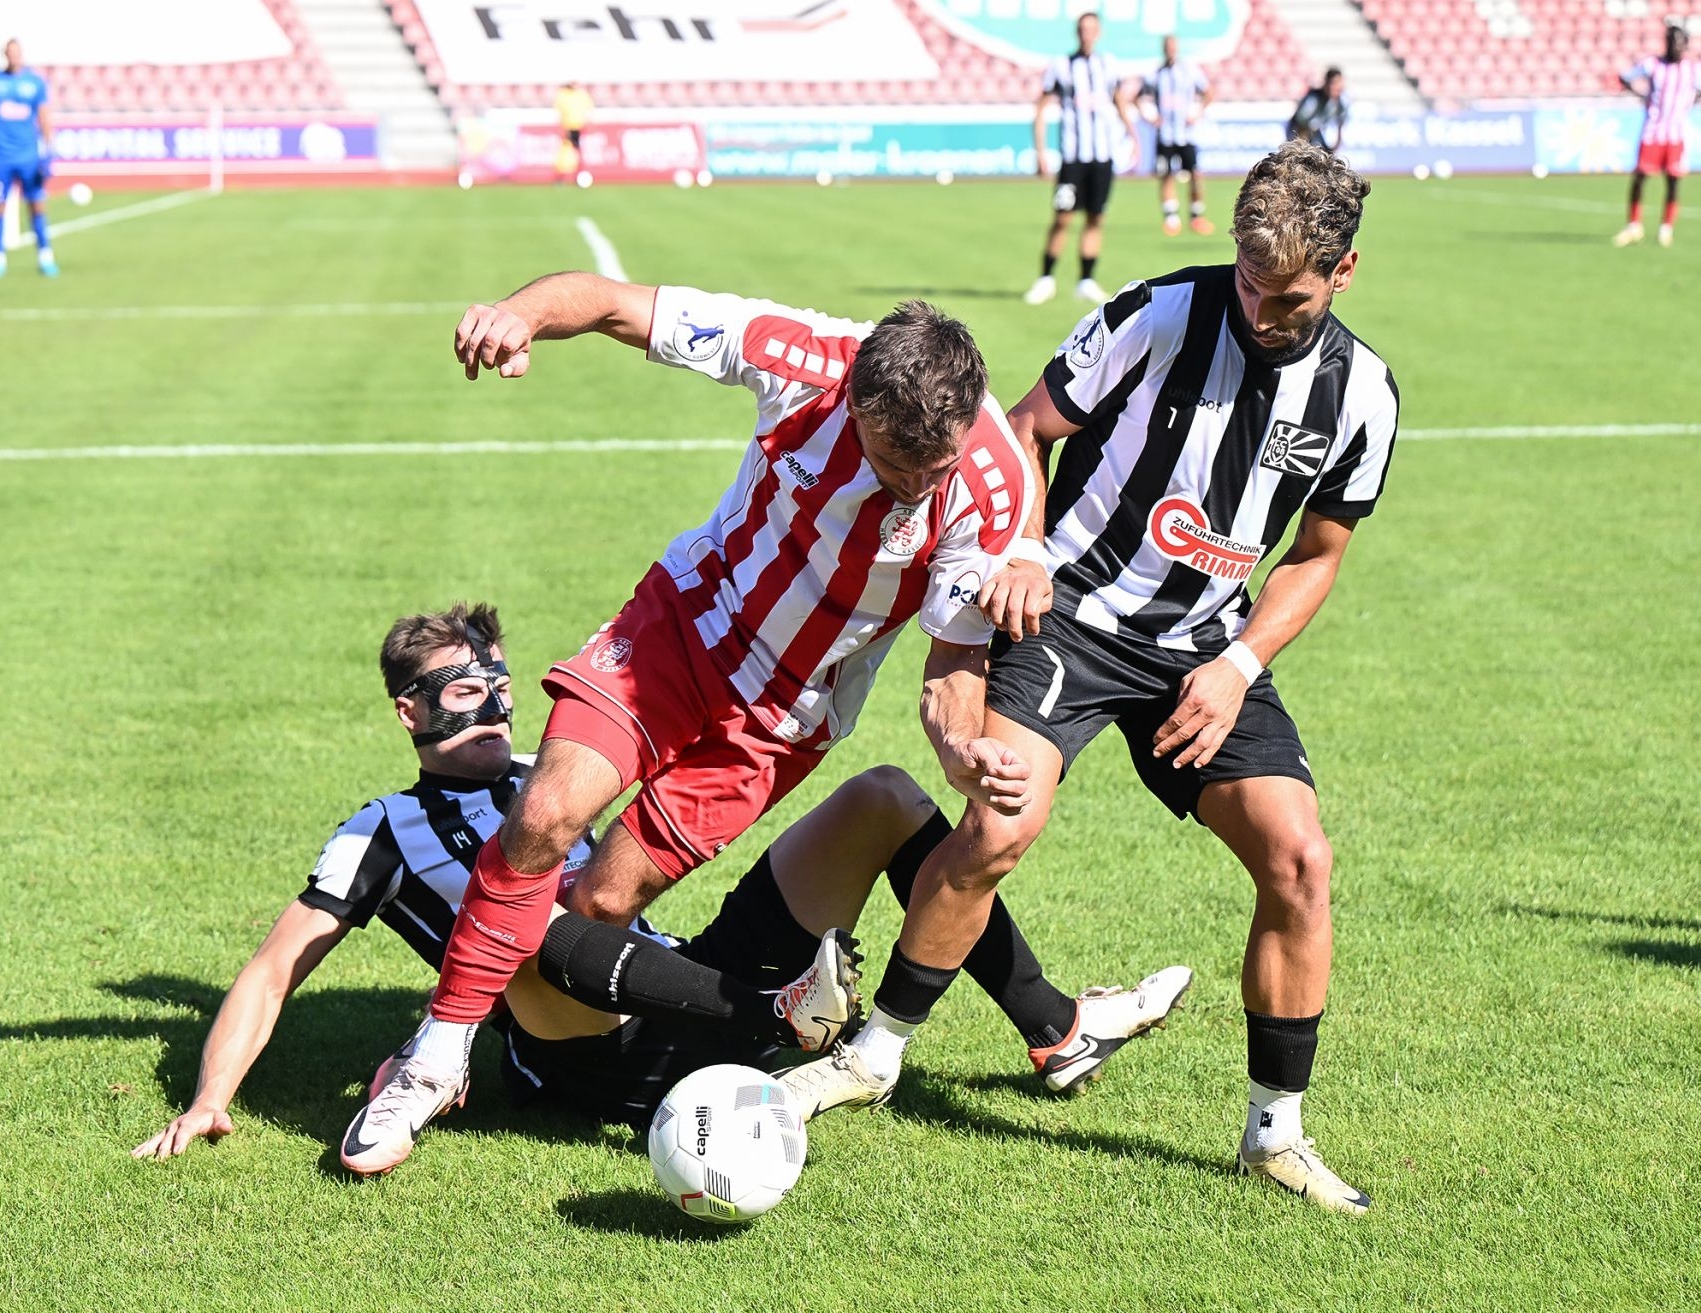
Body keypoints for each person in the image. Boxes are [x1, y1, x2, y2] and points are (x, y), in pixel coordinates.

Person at [783, 141, 1398, 1218]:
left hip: (1205, 650)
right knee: (1001, 819)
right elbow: (1024, 430)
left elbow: (1316, 555)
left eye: (1288, 298)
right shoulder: (1158, 315)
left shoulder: (1364, 397)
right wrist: (1024, 548)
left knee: (1300, 859)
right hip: (1071, 613)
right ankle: (874, 1055)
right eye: (1248, 283)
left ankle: (1274, 1134)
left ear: (1343, 272)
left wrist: (1238, 663)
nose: (1258, 311)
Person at [338, 273, 1049, 1175]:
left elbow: (951, 671)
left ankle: (538, 1032)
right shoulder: (801, 356)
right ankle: (435, 1060)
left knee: (598, 908)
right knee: (545, 813)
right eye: (890, 461)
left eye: (931, 468)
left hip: (783, 719)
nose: (914, 486)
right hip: (682, 626)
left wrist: (965, 751)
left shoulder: (989, 486)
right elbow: (612, 303)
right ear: (853, 401)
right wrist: (520, 316)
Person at [135, 601, 1183, 1159]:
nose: (492, 701)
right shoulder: (380, 831)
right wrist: (210, 1099)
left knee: (883, 797)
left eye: (499, 680)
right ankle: (786, 1014)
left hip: (677, 984)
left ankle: (1054, 1028)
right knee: (524, 914)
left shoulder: (546, 775)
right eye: (460, 688)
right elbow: (272, 969)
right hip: (576, 1052)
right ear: (408, 710)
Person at [1026, 12, 1141, 306]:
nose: (1086, 34)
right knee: (1062, 217)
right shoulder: (1061, 67)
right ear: (1077, 33)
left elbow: (1119, 101)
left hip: (1102, 157)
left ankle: (1086, 280)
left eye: (1091, 29)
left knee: (1096, 217)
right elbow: (1041, 109)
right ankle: (1046, 278)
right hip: (1073, 159)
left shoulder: (1109, 65)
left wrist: (1134, 138)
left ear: (1098, 33)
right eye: (1082, 29)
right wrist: (1040, 151)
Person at [1613, 23, 1701, 248]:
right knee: (1640, 177)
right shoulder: (1652, 64)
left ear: (1685, 45)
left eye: (1678, 43)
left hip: (1676, 134)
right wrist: (1641, 95)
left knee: (1673, 181)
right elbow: (1625, 77)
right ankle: (1634, 226)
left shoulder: (1692, 69)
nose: (1674, 47)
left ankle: (1666, 228)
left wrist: (1689, 101)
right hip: (1652, 131)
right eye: (1671, 42)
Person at [0, 39, 56, 279]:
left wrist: (49, 152)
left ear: (22, 54)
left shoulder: (35, 82)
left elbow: (44, 117)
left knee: (36, 205)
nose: (14, 56)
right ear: (5, 55)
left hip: (29, 157)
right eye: (10, 52)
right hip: (1, 158)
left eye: (17, 52)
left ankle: (45, 256)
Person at [1142, 35, 1215, 236]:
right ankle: (1171, 218)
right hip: (1165, 135)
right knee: (1166, 175)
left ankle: (1196, 216)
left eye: (1173, 46)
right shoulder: (1156, 74)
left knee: (1195, 174)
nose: (1170, 50)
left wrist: (1197, 113)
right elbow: (1139, 97)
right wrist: (1150, 116)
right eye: (1167, 46)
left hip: (1186, 135)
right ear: (1163, 48)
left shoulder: (1190, 72)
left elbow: (1208, 93)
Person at [1287, 68, 1348, 154]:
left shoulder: (1341, 102)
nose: (1333, 87)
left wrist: (1335, 147)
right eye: (1331, 83)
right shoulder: (1313, 98)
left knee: (1327, 154)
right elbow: (1300, 120)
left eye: (1337, 83)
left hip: (1316, 131)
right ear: (1325, 83)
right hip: (1299, 131)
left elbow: (1341, 124)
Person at [554, 81, 593, 184]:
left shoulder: (582, 94)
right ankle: (560, 177)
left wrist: (586, 123)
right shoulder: (562, 94)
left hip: (579, 127)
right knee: (565, 153)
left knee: (578, 153)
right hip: (567, 127)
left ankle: (579, 176)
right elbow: (559, 112)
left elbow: (588, 110)